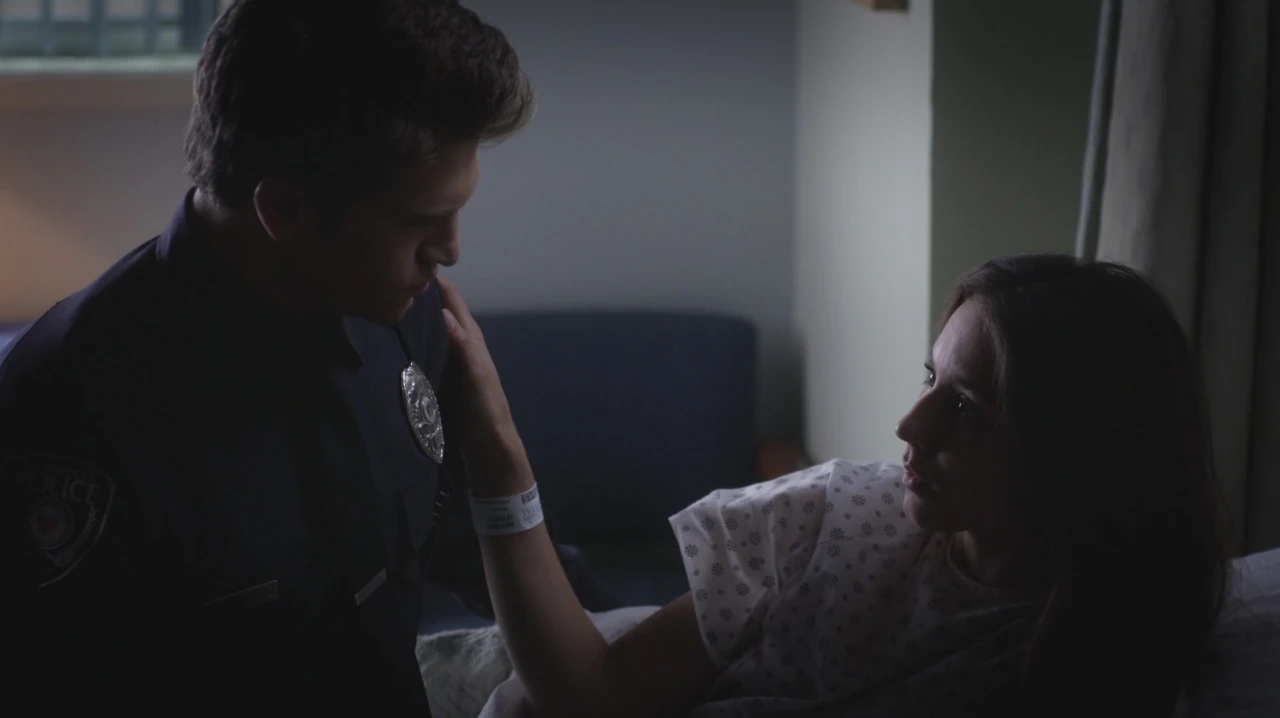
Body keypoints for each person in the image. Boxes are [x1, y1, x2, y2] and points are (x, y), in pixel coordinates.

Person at [0, 1, 610, 715]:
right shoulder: (69, 411)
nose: (450, 251)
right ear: (285, 210)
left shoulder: (405, 309)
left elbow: (463, 539)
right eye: (419, 222)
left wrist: (626, 645)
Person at [437, 254, 1228, 717]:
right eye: (929, 378)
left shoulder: (1103, 641)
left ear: (1075, 451)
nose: (909, 426)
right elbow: (591, 694)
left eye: (965, 408)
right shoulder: (834, 518)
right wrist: (500, 461)